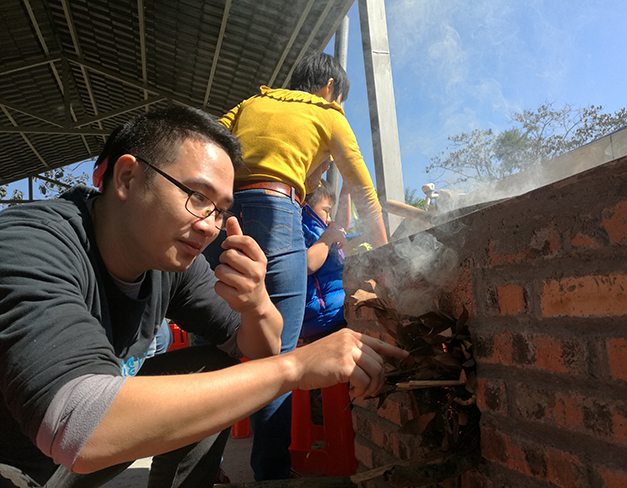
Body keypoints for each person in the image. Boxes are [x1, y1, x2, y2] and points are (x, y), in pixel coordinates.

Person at [0, 107, 407, 488]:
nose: (211, 226)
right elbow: (79, 427)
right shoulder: (30, 244)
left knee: (213, 366)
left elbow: (256, 351)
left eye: (220, 210)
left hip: (65, 461)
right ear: (126, 178)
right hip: (18, 464)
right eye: (198, 197)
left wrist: (257, 304)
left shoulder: (170, 263)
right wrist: (295, 367)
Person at [202, 52, 389, 480]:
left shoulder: (250, 103)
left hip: (218, 215)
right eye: (339, 98)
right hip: (275, 211)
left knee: (213, 345)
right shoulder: (328, 114)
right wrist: (386, 257)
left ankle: (203, 469)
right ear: (329, 88)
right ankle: (272, 475)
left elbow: (206, 142)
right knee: (277, 356)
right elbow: (364, 190)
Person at [301, 180, 351, 341]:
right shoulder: (302, 227)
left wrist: (346, 189)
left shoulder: (323, 229)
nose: (329, 219)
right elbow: (308, 265)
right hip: (322, 322)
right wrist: (327, 238)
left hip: (336, 316)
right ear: (306, 206)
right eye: (326, 211)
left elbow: (343, 225)